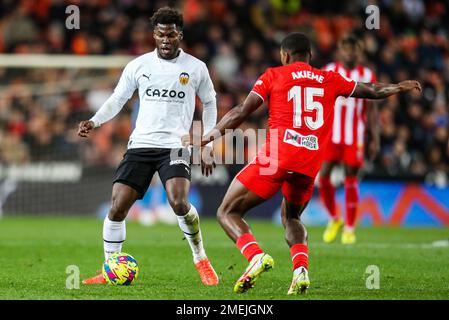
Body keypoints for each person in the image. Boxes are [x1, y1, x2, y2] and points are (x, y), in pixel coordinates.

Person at [183, 32, 421, 295]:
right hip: (309, 163)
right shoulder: (329, 79)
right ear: (310, 56)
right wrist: (398, 86)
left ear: (285, 55)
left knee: (227, 211)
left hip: (277, 157)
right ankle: (300, 270)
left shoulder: (274, 74)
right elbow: (370, 90)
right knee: (292, 216)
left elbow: (241, 111)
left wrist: (208, 138)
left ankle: (255, 256)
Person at [78, 7, 219, 286]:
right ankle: (110, 268)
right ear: (154, 35)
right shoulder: (139, 65)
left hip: (176, 145)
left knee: (179, 202)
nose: (166, 40)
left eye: (171, 34)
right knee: (117, 207)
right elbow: (117, 99)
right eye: (160, 34)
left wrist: (207, 141)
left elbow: (211, 103)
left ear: (180, 35)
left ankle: (200, 258)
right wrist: (94, 121)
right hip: (141, 144)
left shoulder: (195, 67)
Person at [319, 35, 380, 245]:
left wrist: (375, 138)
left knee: (350, 179)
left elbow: (372, 109)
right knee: (323, 177)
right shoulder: (328, 70)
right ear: (340, 50)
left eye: (353, 49)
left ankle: (350, 228)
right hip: (330, 134)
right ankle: (335, 218)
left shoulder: (367, 74)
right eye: (346, 49)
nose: (349, 53)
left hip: (355, 135)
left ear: (359, 52)